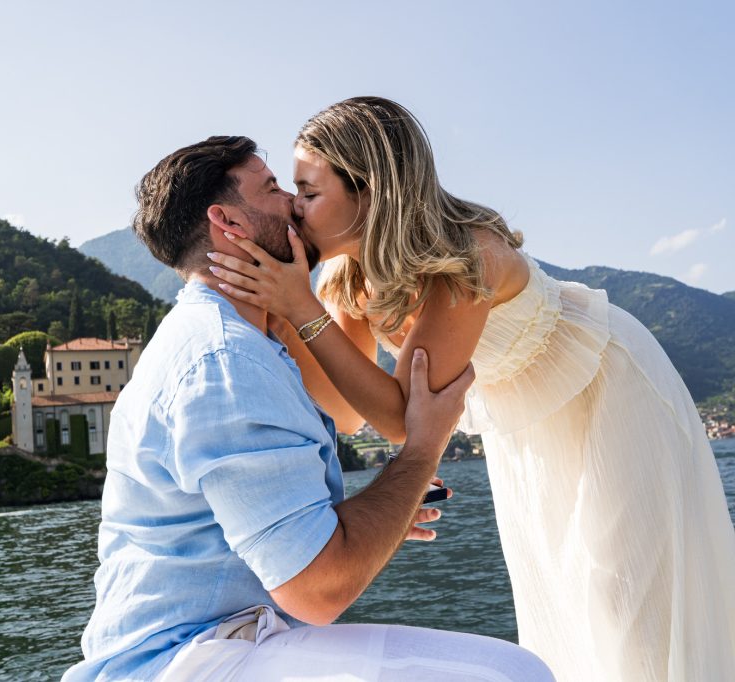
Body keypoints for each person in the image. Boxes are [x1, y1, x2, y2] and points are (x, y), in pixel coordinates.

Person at [207, 97, 735, 681]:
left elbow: (408, 420)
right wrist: (280, 314)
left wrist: (300, 309)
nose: (296, 211)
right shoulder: (345, 275)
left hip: (607, 394)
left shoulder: (470, 256)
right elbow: (346, 410)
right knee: (562, 588)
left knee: (626, 594)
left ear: (373, 193)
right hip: (527, 420)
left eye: (309, 193)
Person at [62, 136, 554, 681]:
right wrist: (422, 451)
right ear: (228, 222)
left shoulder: (233, 340)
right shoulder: (226, 361)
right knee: (513, 675)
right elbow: (318, 592)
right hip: (186, 660)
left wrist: (384, 508)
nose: (291, 204)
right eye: (273, 188)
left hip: (218, 642)